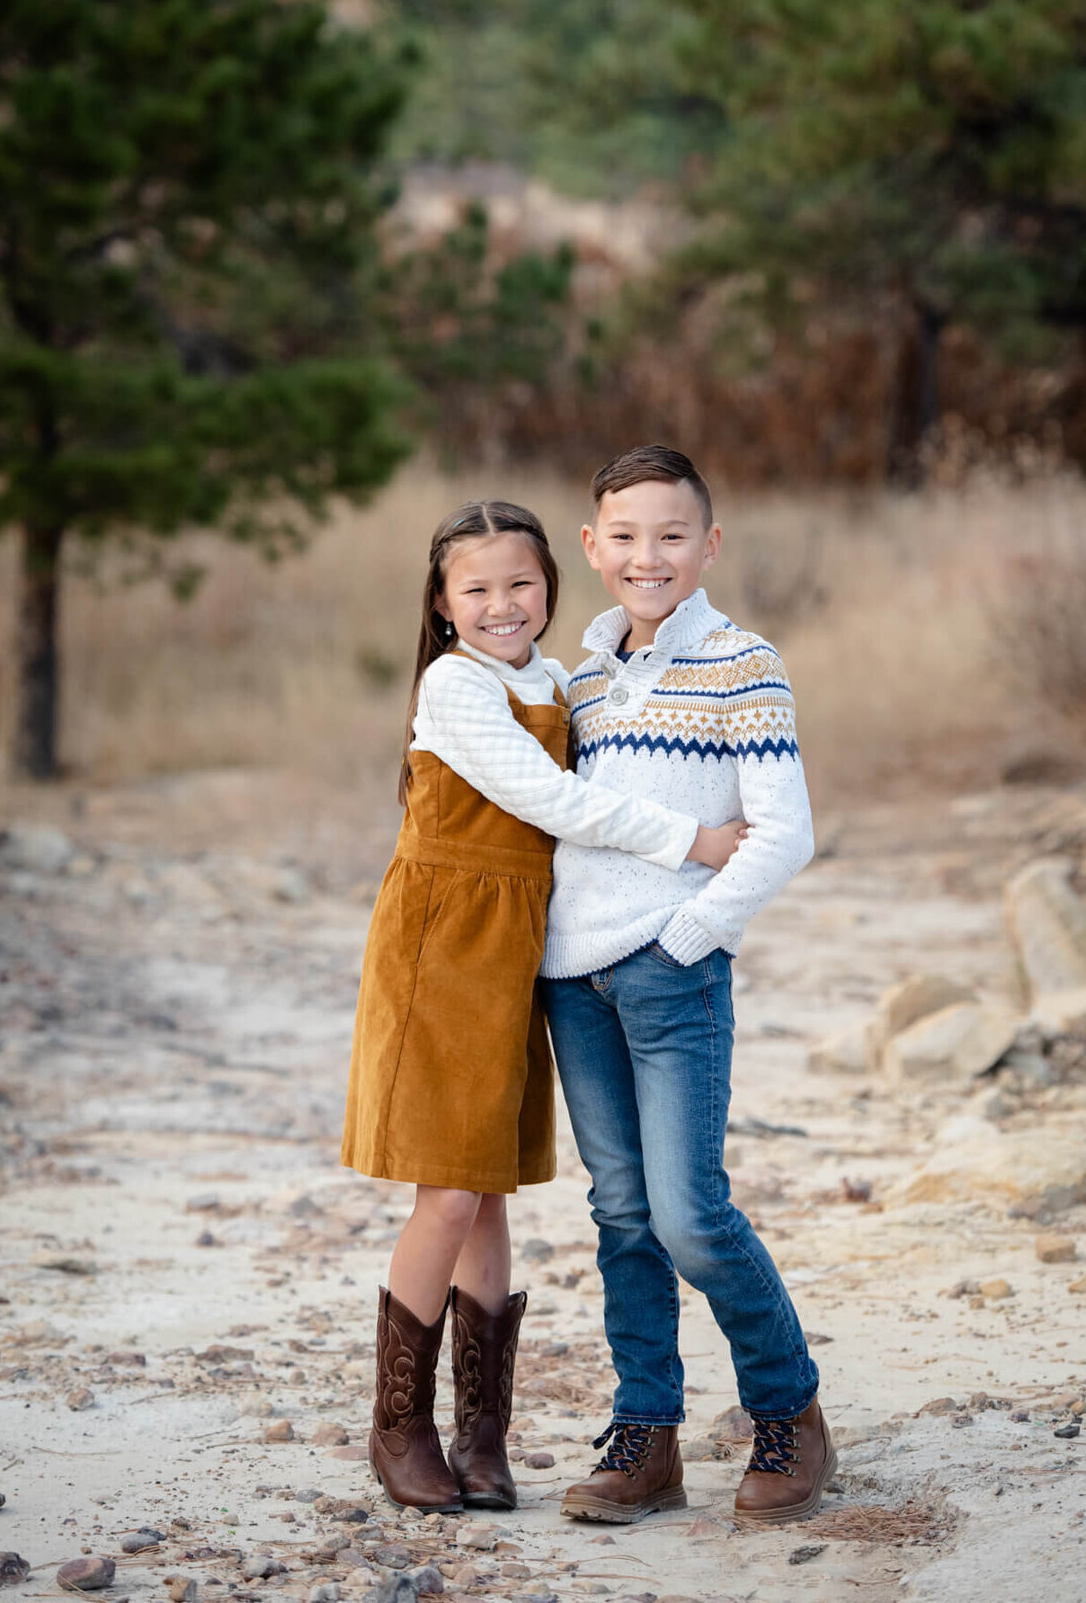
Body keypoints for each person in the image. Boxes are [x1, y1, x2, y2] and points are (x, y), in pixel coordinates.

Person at [340, 499, 745, 1516]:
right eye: (475, 589)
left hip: (521, 948)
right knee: (447, 1191)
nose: (501, 604)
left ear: (551, 586)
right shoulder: (456, 686)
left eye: (520, 584)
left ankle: (485, 1433)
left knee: (489, 1188)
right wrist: (694, 840)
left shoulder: (557, 679)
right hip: (445, 948)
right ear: (441, 604)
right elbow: (555, 800)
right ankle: (401, 1428)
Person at [539, 445, 832, 1526]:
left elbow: (783, 831)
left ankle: (789, 1412)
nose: (646, 555)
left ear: (708, 545)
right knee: (621, 1214)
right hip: (573, 981)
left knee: (692, 1216)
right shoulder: (577, 678)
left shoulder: (744, 662)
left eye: (671, 535)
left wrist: (690, 936)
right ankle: (646, 1438)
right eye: (624, 536)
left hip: (673, 975)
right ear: (592, 547)